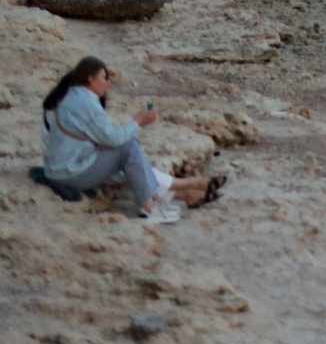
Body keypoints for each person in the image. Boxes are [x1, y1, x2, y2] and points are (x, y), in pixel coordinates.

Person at [33, 57, 221, 221]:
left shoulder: (69, 97)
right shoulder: (86, 102)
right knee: (128, 147)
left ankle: (181, 193)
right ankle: (151, 206)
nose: (106, 83)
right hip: (70, 171)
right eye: (104, 78)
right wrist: (138, 121)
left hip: (62, 166)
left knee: (130, 159)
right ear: (90, 79)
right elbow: (113, 139)